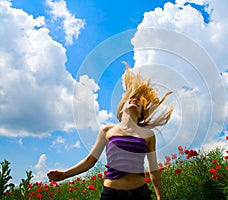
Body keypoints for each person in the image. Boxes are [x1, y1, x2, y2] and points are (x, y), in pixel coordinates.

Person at [47, 62, 174, 200]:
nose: (134, 101)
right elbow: (90, 161)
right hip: (111, 194)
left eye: (139, 102)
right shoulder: (107, 130)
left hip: (140, 193)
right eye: (131, 99)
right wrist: (64, 174)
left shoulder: (148, 135)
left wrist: (160, 197)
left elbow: (153, 168)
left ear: (141, 112)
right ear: (122, 108)